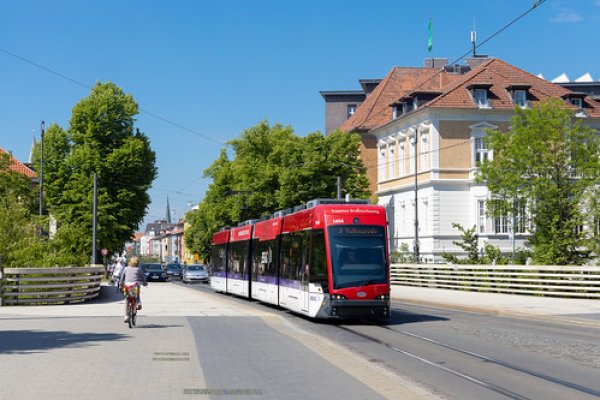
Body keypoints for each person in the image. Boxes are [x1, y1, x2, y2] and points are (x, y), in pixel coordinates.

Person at [120, 256, 147, 323]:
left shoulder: (126, 269)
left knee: (126, 300)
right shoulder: (139, 269)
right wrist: (145, 283)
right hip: (134, 286)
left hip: (127, 286)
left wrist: (121, 284)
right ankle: (138, 303)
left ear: (130, 262)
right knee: (137, 293)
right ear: (137, 263)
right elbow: (143, 278)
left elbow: (122, 278)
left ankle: (126, 316)